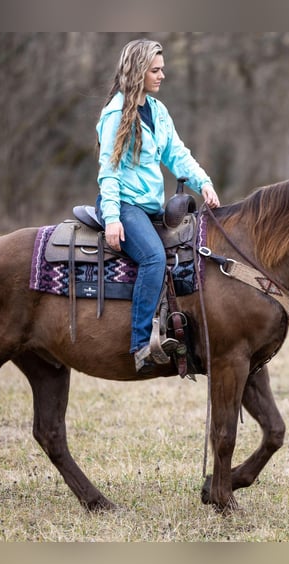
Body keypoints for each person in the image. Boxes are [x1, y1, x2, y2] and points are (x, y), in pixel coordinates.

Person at [95, 38, 220, 373]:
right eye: (155, 70)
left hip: (151, 206)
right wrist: (111, 218)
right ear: (138, 72)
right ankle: (139, 344)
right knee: (152, 258)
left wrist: (203, 182)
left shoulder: (158, 111)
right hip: (124, 204)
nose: (162, 75)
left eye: (162, 69)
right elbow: (108, 170)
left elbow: (176, 153)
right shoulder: (116, 115)